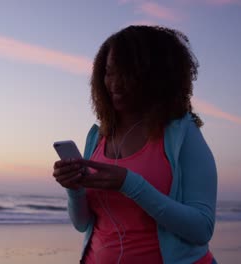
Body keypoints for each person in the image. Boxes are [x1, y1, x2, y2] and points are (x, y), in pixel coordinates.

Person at [52, 25, 217, 264]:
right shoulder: (98, 137)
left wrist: (130, 184)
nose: (115, 84)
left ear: (156, 76)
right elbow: (83, 224)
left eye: (127, 74)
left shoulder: (182, 133)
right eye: (109, 72)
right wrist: (74, 189)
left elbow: (202, 228)